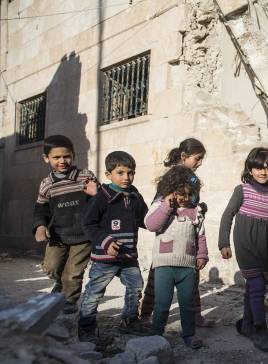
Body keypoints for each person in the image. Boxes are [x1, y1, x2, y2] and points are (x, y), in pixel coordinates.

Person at [218, 147, 268, 352]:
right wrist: (224, 243)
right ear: (250, 169)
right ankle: (261, 331)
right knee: (258, 286)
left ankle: (247, 325)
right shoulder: (242, 190)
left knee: (255, 286)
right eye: (258, 167)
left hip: (264, 248)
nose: (263, 171)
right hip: (245, 245)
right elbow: (227, 215)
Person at [139, 138, 214, 328]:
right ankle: (145, 314)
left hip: (187, 238)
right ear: (184, 156)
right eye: (197, 158)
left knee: (192, 281)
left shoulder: (192, 178)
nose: (200, 163)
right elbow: (157, 207)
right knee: (155, 281)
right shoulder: (171, 178)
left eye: (201, 159)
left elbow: (193, 202)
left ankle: (195, 316)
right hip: (167, 241)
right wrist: (168, 207)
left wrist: (198, 208)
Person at [78, 151, 149, 341]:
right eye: (121, 172)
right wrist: (106, 241)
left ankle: (129, 322)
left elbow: (145, 220)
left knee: (135, 287)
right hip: (104, 259)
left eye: (131, 172)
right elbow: (88, 224)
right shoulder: (102, 197)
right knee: (94, 293)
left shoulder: (135, 195)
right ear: (108, 175)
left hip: (128, 257)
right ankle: (86, 328)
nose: (126, 177)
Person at [33, 135, 98, 314]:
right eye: (56, 157)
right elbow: (41, 208)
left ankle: (69, 302)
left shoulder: (85, 176)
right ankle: (60, 284)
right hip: (58, 235)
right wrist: (40, 226)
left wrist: (96, 192)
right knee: (51, 268)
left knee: (73, 273)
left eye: (66, 156)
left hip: (83, 235)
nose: (62, 161)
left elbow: (101, 202)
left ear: (73, 155)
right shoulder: (47, 184)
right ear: (46, 158)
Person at [144, 165, 208, 349]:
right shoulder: (160, 205)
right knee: (162, 302)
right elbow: (151, 225)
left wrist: (202, 255)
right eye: (181, 194)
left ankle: (189, 334)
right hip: (164, 265)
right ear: (170, 190)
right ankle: (156, 333)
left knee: (187, 303)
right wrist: (166, 206)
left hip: (187, 266)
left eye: (190, 194)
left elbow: (200, 236)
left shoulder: (196, 212)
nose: (185, 198)